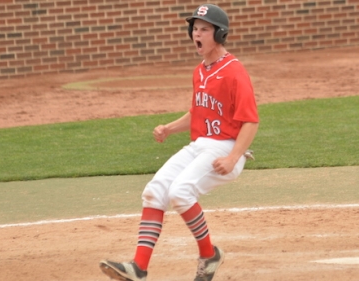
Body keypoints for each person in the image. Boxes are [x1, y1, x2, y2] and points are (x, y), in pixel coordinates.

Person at [99, 4, 259, 281]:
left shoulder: (234, 71)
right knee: (155, 190)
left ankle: (209, 256)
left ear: (219, 35)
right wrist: (170, 129)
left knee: (181, 193)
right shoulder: (200, 71)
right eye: (195, 28)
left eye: (204, 29)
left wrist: (233, 157)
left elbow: (251, 121)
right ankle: (139, 266)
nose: (197, 34)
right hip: (200, 145)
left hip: (224, 148)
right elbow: (199, 111)